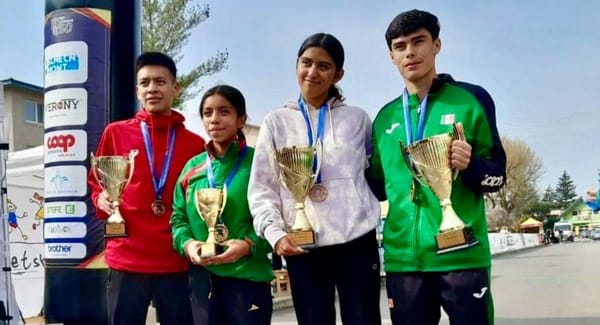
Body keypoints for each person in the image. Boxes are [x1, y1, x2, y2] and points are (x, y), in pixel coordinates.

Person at [367, 10, 507, 325]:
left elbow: (498, 175)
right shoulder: (385, 119)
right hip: (404, 263)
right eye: (400, 46)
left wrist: (471, 166)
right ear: (391, 56)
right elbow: (374, 187)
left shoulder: (470, 100)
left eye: (419, 42)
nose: (410, 52)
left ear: (437, 45)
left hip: (462, 256)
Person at [249, 33, 382, 325]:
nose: (312, 72)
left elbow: (374, 174)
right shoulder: (276, 121)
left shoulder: (358, 119)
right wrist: (275, 234)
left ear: (338, 73)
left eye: (324, 66)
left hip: (356, 242)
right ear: (296, 65)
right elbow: (262, 188)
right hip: (302, 246)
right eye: (306, 63)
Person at [89, 51, 206, 325]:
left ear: (175, 88)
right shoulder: (115, 133)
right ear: (137, 90)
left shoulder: (194, 144)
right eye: (145, 83)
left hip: (176, 258)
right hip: (127, 256)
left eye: (160, 81)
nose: (152, 88)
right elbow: (96, 181)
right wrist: (102, 198)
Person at [171, 85, 273, 325]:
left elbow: (279, 217)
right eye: (208, 113)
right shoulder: (192, 168)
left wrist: (248, 245)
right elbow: (178, 218)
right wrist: (189, 245)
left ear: (241, 119)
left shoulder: (259, 162)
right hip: (202, 280)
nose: (214, 119)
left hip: (247, 277)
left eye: (224, 112)